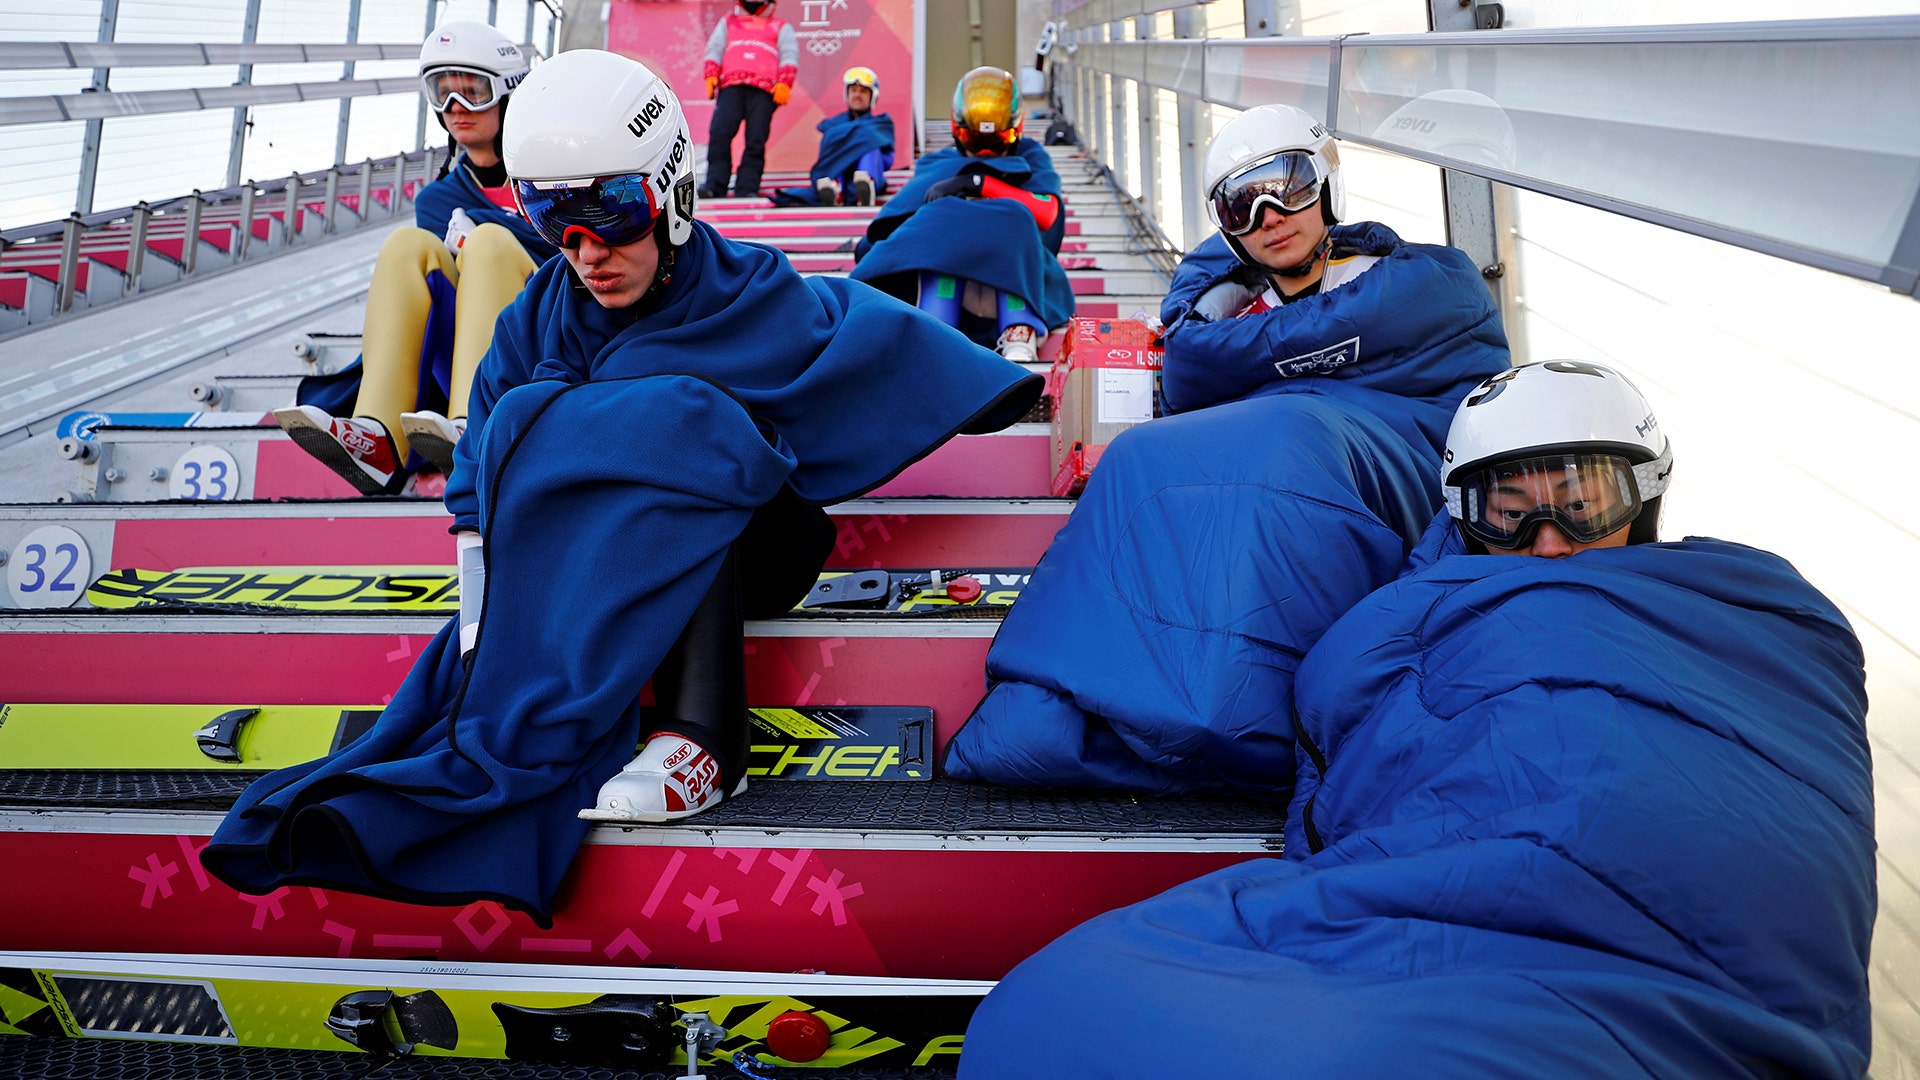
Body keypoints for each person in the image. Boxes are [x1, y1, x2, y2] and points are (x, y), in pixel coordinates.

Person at [202, 51, 1040, 925]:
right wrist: (486, 618)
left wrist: (995, 386)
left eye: (613, 216)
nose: (589, 254)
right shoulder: (540, 313)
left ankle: (706, 737)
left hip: (751, 540)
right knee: (578, 416)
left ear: (672, 194)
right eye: (557, 224)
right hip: (582, 560)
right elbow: (480, 471)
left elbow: (868, 335)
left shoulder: (754, 290)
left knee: (677, 419)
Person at [957, 362, 1874, 1079]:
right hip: (1472, 910)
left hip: (1688, 937)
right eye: (1506, 516)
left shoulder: (1758, 610)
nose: (1546, 545)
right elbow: (1349, 705)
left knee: (1075, 1019)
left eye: (1583, 505)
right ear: (1462, 518)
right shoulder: (1426, 607)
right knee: (1053, 1015)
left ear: (1646, 495)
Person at [942, 104, 1510, 794]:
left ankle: (1236, 713)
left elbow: (1450, 364)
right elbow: (1192, 370)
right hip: (1281, 443)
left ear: (1327, 181)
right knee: (1137, 457)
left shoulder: (1406, 279)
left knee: (1285, 445)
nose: (1271, 214)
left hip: (1386, 451)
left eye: (1290, 185)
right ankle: (1070, 692)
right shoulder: (1232, 310)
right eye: (1242, 205)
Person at [273, 22, 557, 495]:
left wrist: (496, 231)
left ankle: (474, 421)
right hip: (468, 346)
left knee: (485, 243)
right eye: (441, 92)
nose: (455, 109)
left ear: (509, 94)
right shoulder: (441, 197)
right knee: (407, 245)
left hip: (539, 333)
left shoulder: (551, 173)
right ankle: (377, 435)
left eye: (473, 91)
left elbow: (572, 253)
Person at [849, 66, 1072, 362]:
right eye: (976, 141)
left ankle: (1020, 330)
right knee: (943, 222)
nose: (985, 154)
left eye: (997, 142)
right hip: (946, 278)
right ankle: (935, 331)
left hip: (1015, 274)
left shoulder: (1031, 156)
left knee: (1012, 214)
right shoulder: (937, 163)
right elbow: (892, 230)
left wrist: (978, 183)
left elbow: (1045, 212)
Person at [698, 0, 798, 200]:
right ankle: (715, 185)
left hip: (763, 91)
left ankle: (747, 187)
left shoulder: (780, 26)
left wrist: (785, 82)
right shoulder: (728, 22)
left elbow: (790, 54)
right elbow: (714, 49)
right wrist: (710, 74)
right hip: (731, 87)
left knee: (756, 138)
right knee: (720, 133)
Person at [771, 66, 894, 207]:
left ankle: (866, 185)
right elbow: (827, 157)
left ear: (873, 96)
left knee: (871, 145)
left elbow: (888, 159)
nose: (857, 95)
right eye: (853, 90)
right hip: (840, 173)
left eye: (863, 91)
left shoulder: (880, 124)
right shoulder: (833, 126)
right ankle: (835, 188)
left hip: (871, 169)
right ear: (847, 94)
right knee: (842, 151)